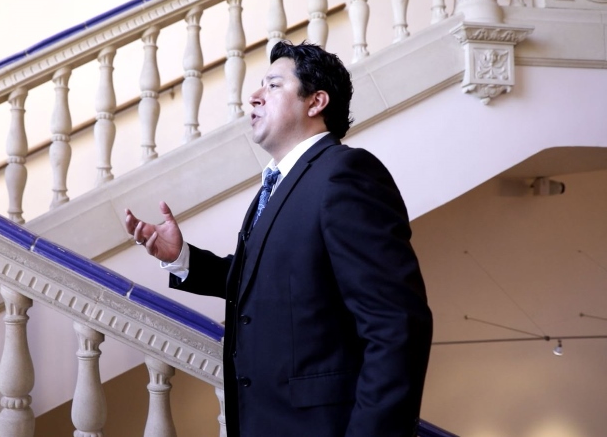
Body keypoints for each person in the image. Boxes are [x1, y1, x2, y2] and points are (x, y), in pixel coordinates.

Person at [125, 41, 433, 437]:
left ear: (316, 101)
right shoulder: (276, 184)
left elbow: (397, 324)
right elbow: (265, 283)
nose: (253, 97)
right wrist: (182, 257)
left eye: (272, 85)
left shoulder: (346, 174)